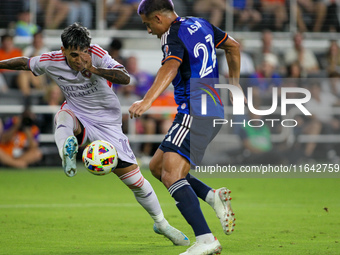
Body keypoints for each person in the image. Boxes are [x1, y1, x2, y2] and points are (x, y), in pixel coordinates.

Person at [0, 22, 189, 247]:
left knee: (136, 182)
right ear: (63, 51)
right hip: (78, 113)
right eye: (73, 56)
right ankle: (66, 153)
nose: (79, 61)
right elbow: (24, 63)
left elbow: (125, 77)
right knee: (63, 115)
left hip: (108, 123)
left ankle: (162, 224)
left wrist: (95, 69)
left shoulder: (98, 55)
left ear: (88, 50)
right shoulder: (51, 61)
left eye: (82, 54)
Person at [128, 1, 245, 254]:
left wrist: (147, 100)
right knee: (158, 167)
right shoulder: (199, 23)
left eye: (148, 25)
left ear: (158, 18)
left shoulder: (172, 34)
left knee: (172, 175)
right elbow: (233, 47)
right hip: (209, 108)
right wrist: (234, 87)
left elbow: (170, 66)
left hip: (195, 110)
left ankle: (205, 239)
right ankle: (213, 196)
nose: (148, 31)